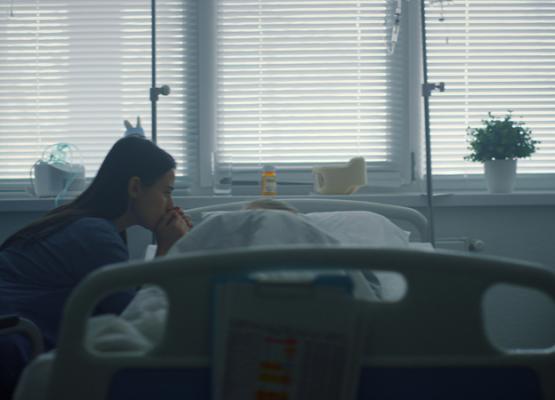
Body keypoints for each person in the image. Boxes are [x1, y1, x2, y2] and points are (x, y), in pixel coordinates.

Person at [0, 135, 191, 353]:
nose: (171, 205)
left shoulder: (92, 226)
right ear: (136, 187)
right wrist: (165, 250)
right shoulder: (95, 236)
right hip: (12, 342)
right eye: (166, 192)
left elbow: (120, 299)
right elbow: (135, 319)